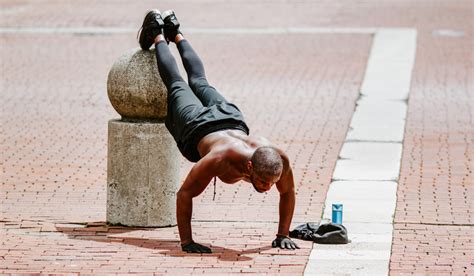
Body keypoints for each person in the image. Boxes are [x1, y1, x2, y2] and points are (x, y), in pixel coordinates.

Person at [138, 9, 299, 253]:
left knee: (200, 82)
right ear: (249, 167)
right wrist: (187, 242)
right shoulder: (218, 159)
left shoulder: (279, 160)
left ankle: (176, 31)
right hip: (197, 125)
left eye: (271, 183)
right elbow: (184, 194)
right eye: (264, 182)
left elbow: (287, 192)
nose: (268, 188)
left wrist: (282, 234)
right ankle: (158, 33)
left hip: (231, 118)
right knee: (177, 83)